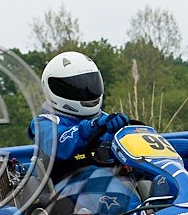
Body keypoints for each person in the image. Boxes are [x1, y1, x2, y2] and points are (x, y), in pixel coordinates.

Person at [28, 51, 130, 182]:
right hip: (71, 189)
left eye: (90, 84)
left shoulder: (105, 120)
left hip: (114, 182)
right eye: (77, 87)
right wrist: (91, 127)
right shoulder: (43, 123)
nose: (86, 92)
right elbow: (60, 144)